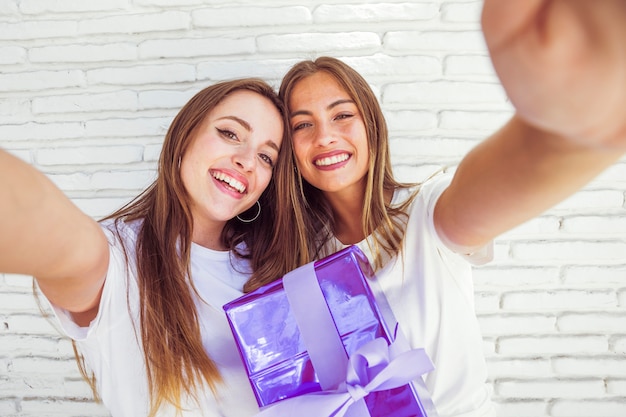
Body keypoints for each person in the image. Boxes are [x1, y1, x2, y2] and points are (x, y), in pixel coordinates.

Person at [243, 2, 626, 417]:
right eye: (303, 125)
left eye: (342, 115)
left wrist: (568, 128)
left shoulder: (427, 214)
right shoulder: (297, 268)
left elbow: (483, 197)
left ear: (371, 125)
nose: (325, 137)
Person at [0, 78, 304, 417]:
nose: (247, 161)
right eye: (230, 134)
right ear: (185, 135)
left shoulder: (273, 267)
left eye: (266, 156)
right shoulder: (118, 258)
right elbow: (43, 225)